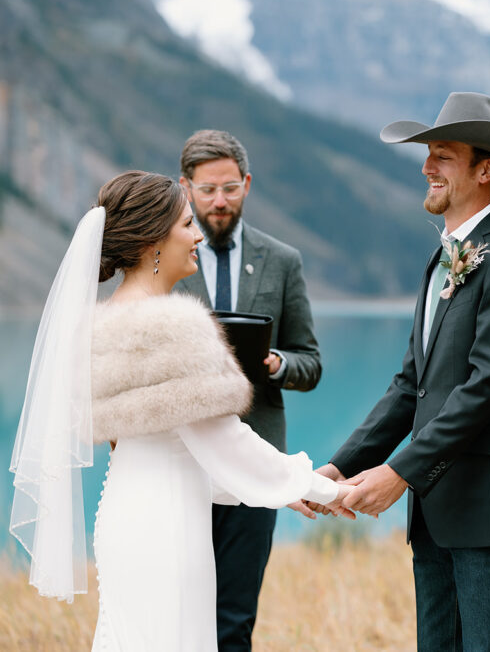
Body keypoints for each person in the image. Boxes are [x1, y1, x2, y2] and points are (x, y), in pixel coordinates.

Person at [9, 170, 348, 651]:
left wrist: (277, 491)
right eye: (187, 224)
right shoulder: (176, 326)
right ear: (153, 242)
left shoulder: (98, 325)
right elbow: (222, 440)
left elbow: (179, 447)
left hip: (126, 515)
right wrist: (317, 485)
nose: (197, 236)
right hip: (166, 530)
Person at [310, 92, 490, 651]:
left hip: (487, 507)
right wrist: (339, 466)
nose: (426, 167)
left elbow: (486, 387)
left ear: (486, 169)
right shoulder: (445, 255)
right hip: (436, 508)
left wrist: (399, 473)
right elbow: (411, 387)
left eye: (442, 155)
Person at [175, 130, 322, 651]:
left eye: (231, 188)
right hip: (180, 461)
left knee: (234, 620)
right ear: (185, 187)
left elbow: (311, 362)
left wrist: (277, 362)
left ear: (248, 185)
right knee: (178, 616)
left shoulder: (283, 260)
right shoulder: (164, 257)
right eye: (208, 189)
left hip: (254, 462)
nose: (219, 201)